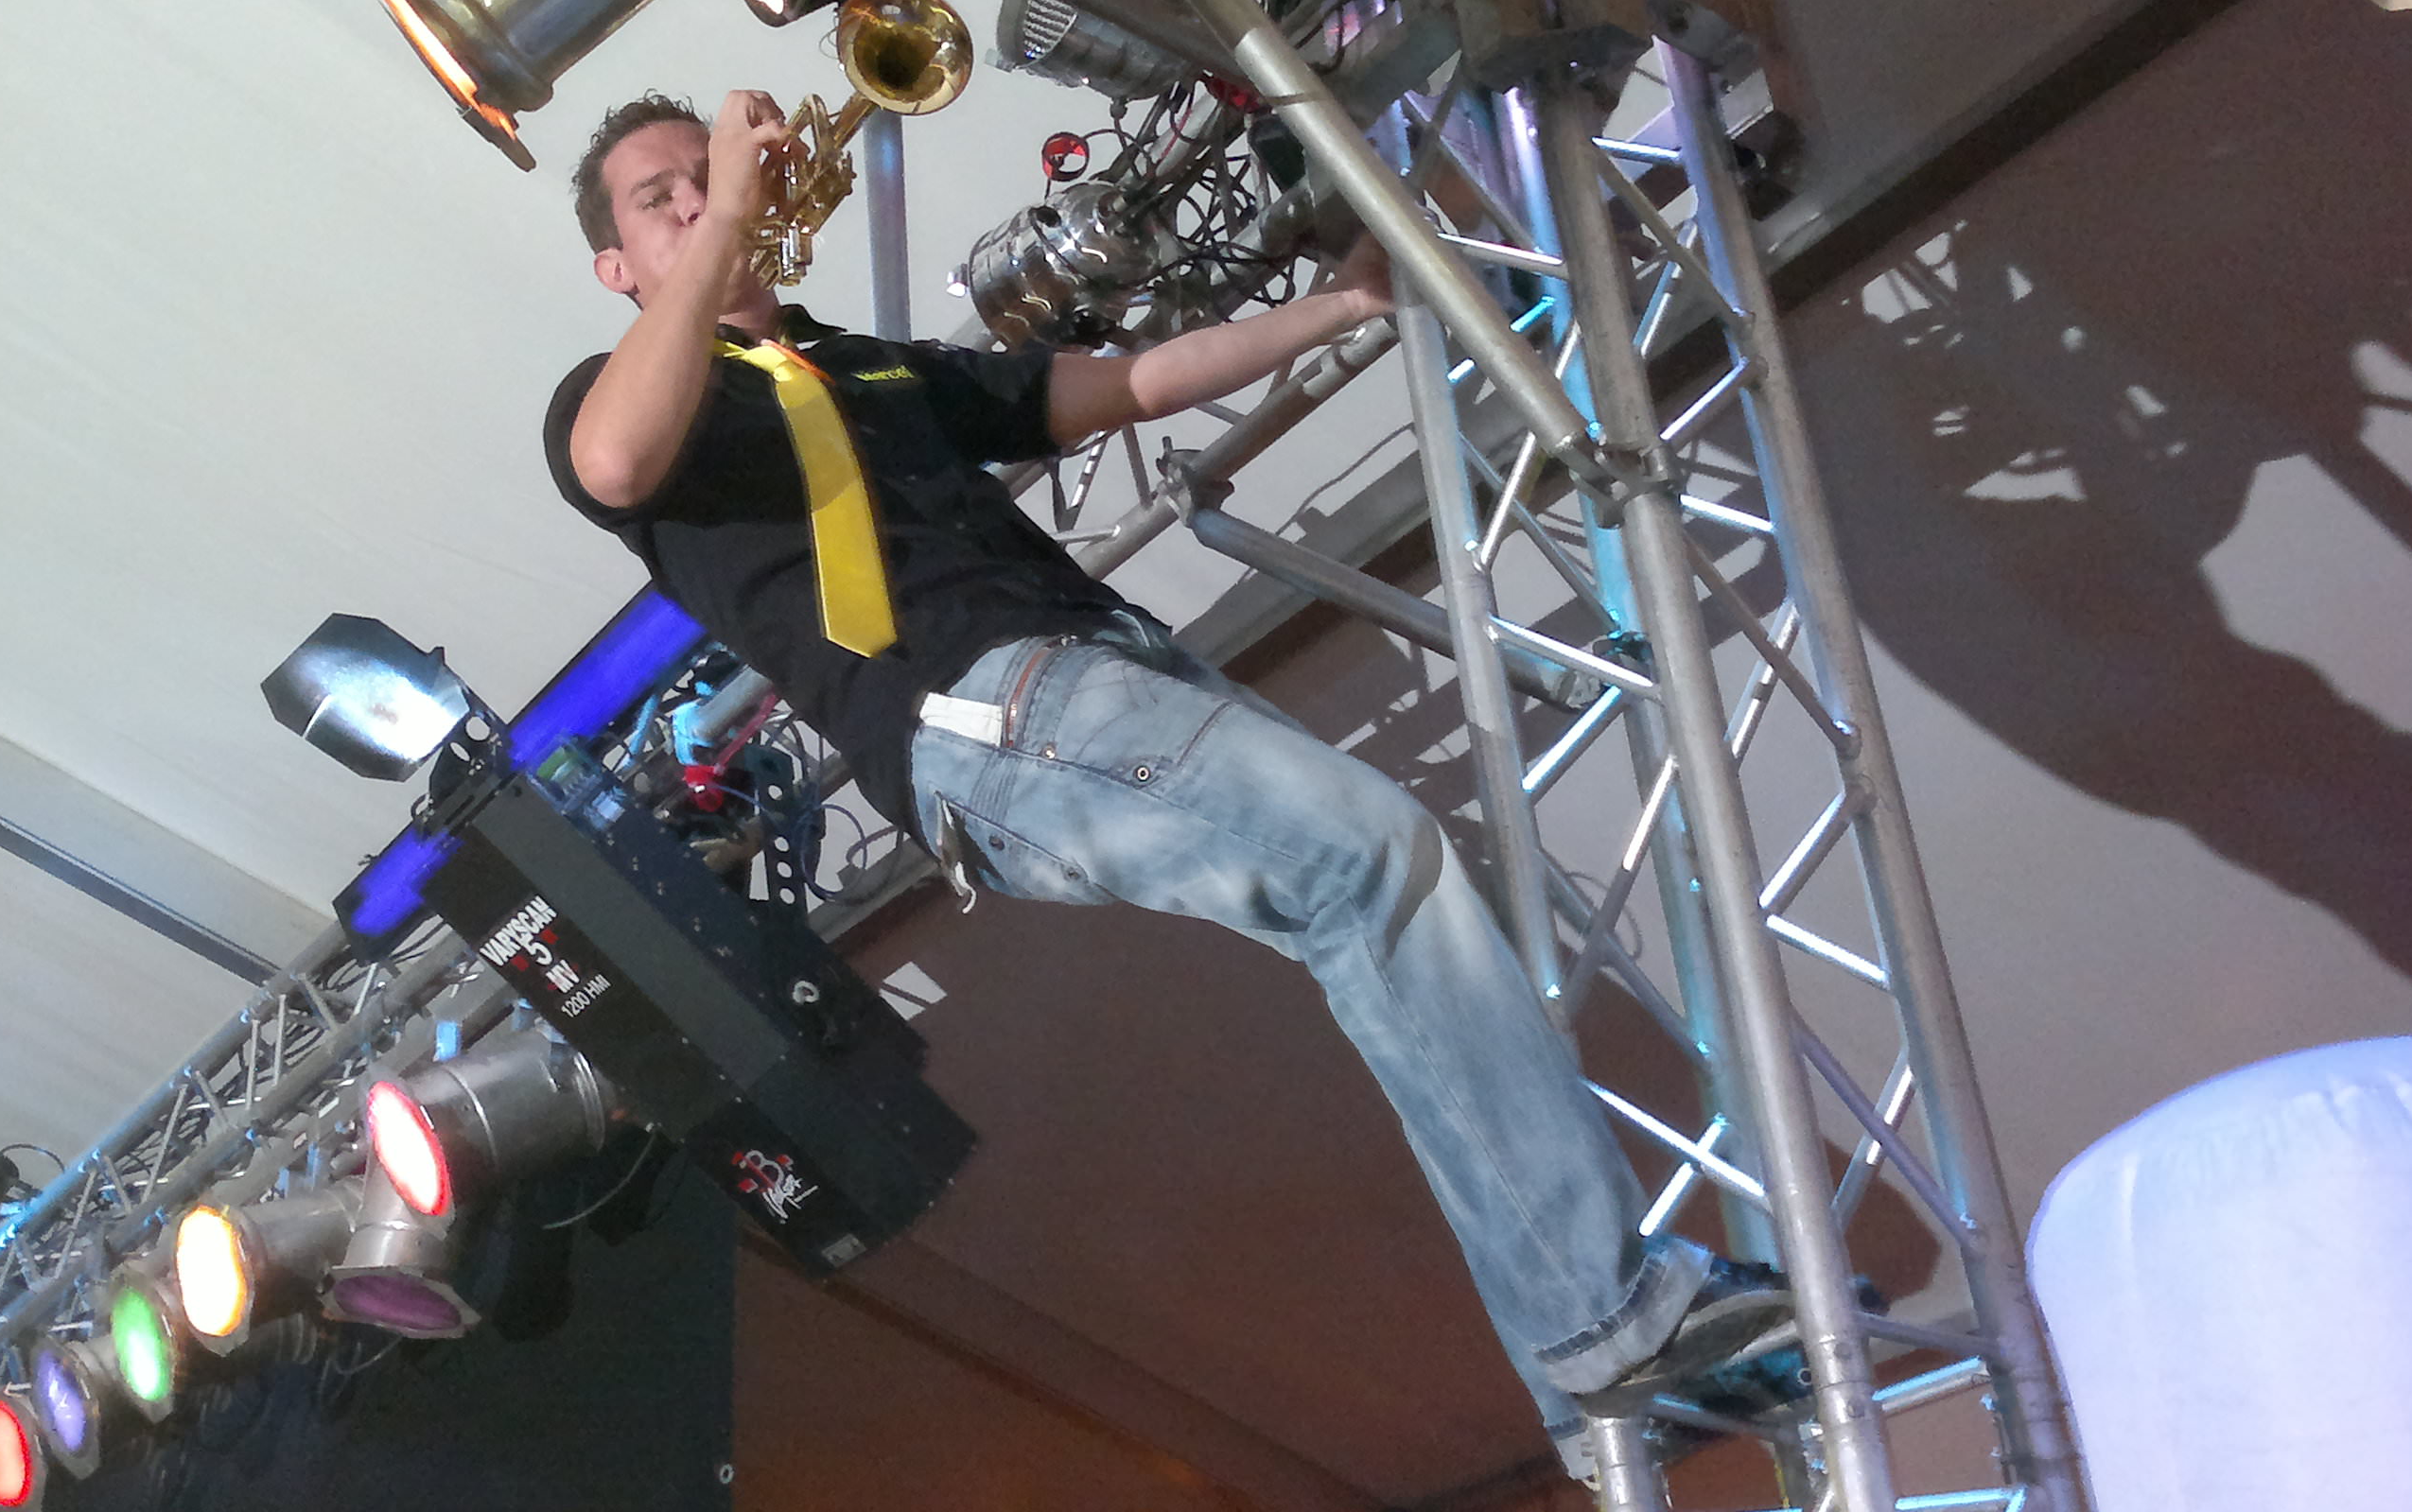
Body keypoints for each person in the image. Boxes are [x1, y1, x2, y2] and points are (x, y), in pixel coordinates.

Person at [539, 90, 1791, 1465]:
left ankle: (1597, 1400)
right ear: (615, 268)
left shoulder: (864, 366)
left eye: (704, 175)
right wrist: (726, 212)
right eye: (660, 197)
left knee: (1379, 890)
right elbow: (615, 459)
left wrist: (1342, 305)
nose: (699, 196)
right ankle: (1606, 1324)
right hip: (983, 707)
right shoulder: (616, 398)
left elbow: (1117, 388)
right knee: (1370, 858)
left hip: (1100, 674)